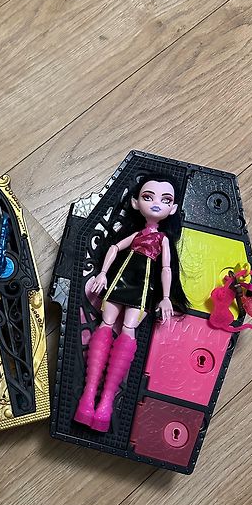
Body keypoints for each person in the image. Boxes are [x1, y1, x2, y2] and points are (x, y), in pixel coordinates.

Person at [74, 174, 188, 432]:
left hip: (142, 290)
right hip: (120, 282)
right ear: (136, 203)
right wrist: (103, 273)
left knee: (128, 329)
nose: (156, 203)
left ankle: (106, 404)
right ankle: (87, 397)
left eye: (165, 200)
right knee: (106, 324)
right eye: (148, 197)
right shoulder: (136, 234)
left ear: (173, 208)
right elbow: (114, 248)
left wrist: (166, 297)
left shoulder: (163, 239)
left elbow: (166, 268)